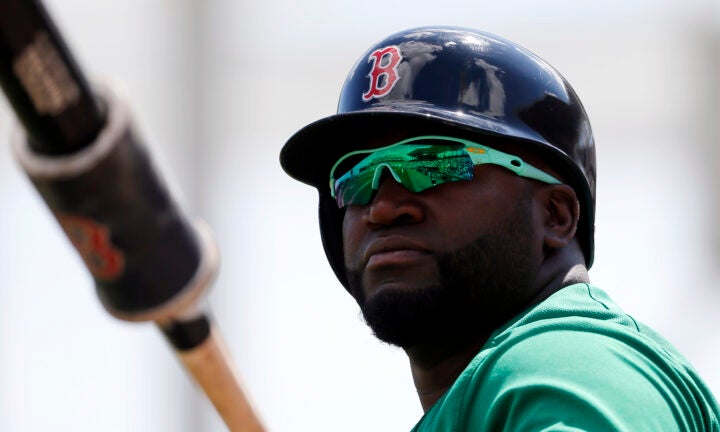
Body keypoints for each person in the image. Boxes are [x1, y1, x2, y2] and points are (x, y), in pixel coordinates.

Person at [279, 26, 720, 431]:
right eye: (355, 178)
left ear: (556, 215)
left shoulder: (565, 364)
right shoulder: (493, 395)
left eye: (436, 163)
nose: (384, 207)